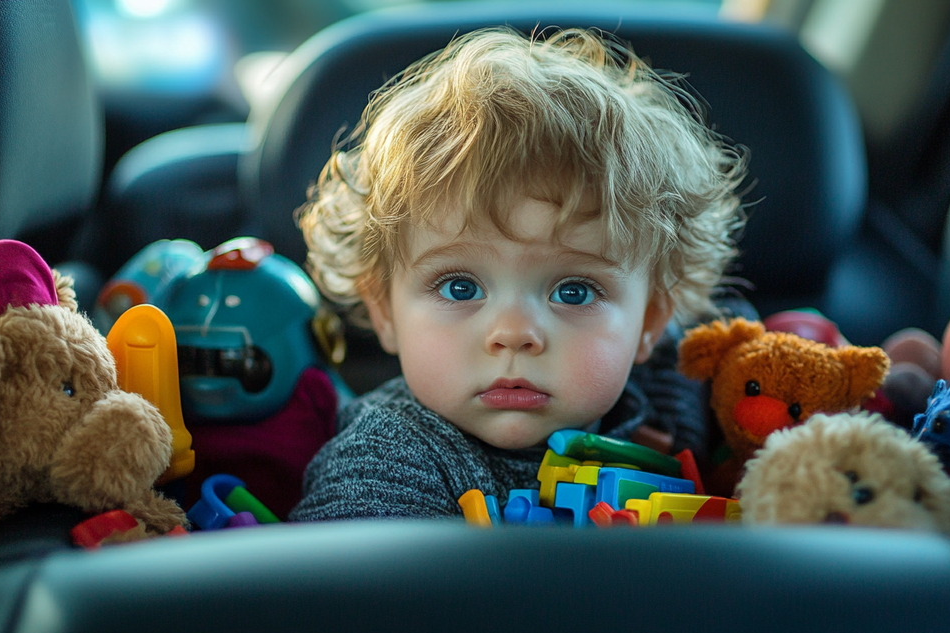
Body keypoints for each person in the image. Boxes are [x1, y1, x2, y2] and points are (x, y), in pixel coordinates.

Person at [289, 26, 747, 520]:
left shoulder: (669, 395)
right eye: (459, 287)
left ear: (650, 321)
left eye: (573, 292)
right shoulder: (389, 459)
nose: (513, 334)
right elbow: (350, 594)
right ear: (384, 311)